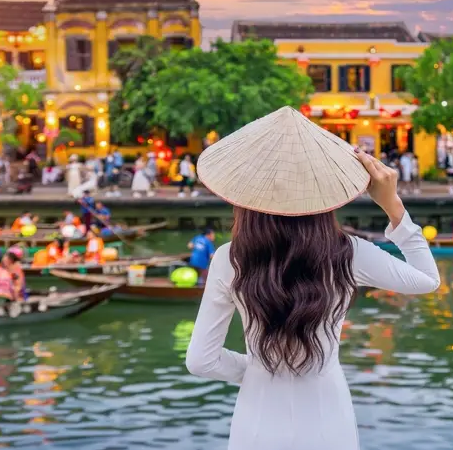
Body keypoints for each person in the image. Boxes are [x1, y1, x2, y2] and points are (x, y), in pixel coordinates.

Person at [185, 106, 439, 450]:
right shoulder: (348, 252)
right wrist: (393, 206)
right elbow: (427, 279)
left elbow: (201, 361)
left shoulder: (229, 258)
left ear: (245, 195)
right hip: (328, 420)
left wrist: (259, 368)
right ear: (324, 193)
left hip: (256, 423)